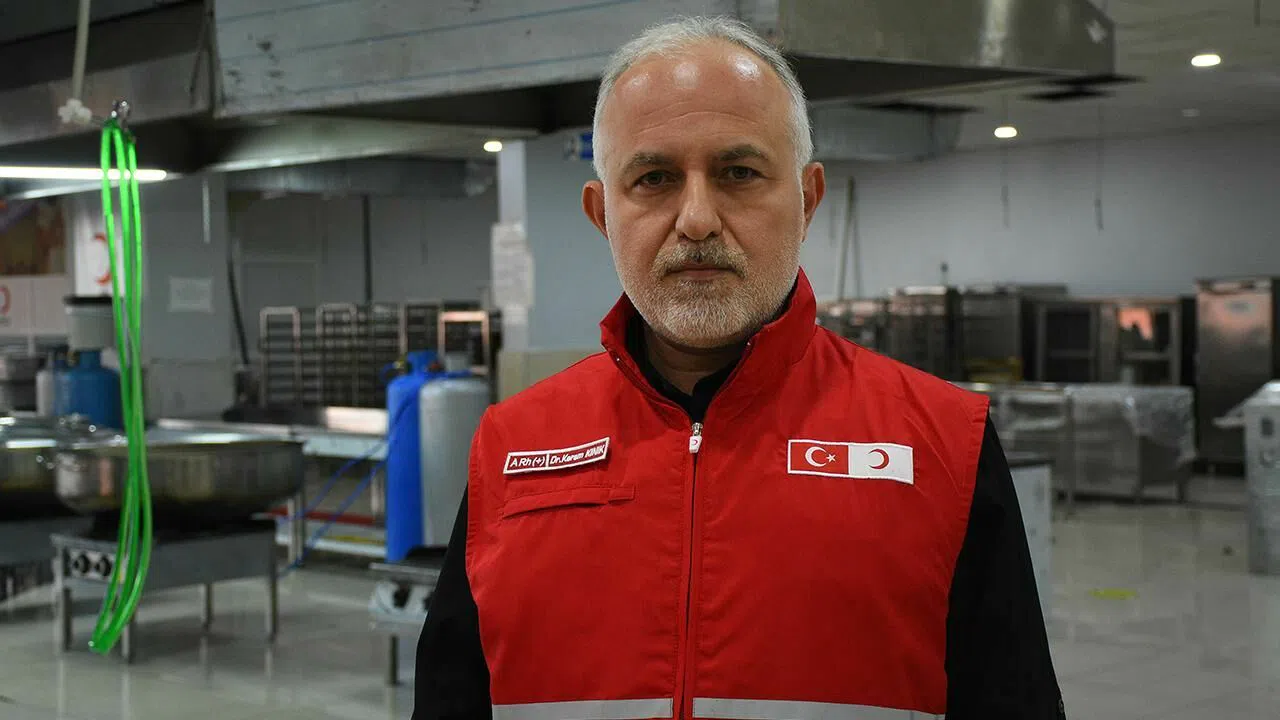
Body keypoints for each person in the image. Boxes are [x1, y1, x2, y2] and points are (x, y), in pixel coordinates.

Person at [415, 16, 1063, 720]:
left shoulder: (943, 444)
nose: (696, 219)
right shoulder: (511, 447)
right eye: (654, 178)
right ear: (603, 215)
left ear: (808, 201)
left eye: (738, 173)